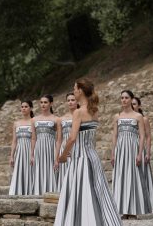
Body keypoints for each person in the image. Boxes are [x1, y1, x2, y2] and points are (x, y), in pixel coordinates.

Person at [55, 79, 121, 225]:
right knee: (98, 192)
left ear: (80, 91)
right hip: (93, 157)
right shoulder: (95, 111)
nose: (73, 91)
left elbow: (72, 138)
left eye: (74, 89)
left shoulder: (78, 112)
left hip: (80, 158)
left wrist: (63, 156)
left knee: (81, 192)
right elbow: (92, 138)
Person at [111, 90, 150, 219]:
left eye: (126, 98)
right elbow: (115, 136)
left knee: (133, 177)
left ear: (131, 99)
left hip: (133, 149)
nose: (124, 100)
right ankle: (123, 210)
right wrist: (113, 153)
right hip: (121, 150)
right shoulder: (117, 116)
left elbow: (143, 136)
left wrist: (140, 153)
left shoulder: (138, 116)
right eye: (122, 97)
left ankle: (133, 210)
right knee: (121, 177)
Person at [31, 94, 61, 194]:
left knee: (51, 171)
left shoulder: (56, 119)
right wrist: (32, 154)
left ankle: (51, 194)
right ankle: (38, 193)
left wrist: (57, 157)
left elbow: (58, 139)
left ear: (51, 104)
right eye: (41, 102)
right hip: (39, 149)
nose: (43, 104)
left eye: (45, 102)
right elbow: (33, 138)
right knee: (38, 171)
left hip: (51, 148)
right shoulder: (34, 120)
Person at [132, 97, 153, 206]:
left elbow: (148, 137)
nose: (133, 106)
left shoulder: (144, 119)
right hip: (128, 149)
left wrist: (148, 152)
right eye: (132, 104)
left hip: (140, 148)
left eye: (135, 104)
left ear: (139, 106)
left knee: (142, 174)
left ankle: (145, 200)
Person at [9, 101, 34, 195]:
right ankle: (18, 192)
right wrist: (12, 156)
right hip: (19, 151)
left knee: (30, 171)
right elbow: (14, 141)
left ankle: (30, 192)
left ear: (31, 108)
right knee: (19, 172)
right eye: (22, 107)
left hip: (30, 150)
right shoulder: (16, 123)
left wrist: (33, 153)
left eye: (26, 106)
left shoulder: (34, 121)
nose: (23, 108)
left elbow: (34, 139)